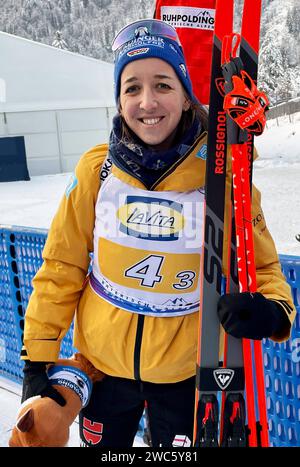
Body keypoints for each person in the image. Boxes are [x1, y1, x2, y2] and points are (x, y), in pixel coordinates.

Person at [21, 19, 296, 447]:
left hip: (185, 377)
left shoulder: (222, 177)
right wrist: (37, 358)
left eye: (163, 85)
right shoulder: (97, 171)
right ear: (118, 101)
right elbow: (61, 266)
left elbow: (262, 264)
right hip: (103, 372)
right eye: (132, 88)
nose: (147, 101)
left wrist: (273, 309)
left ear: (187, 96)